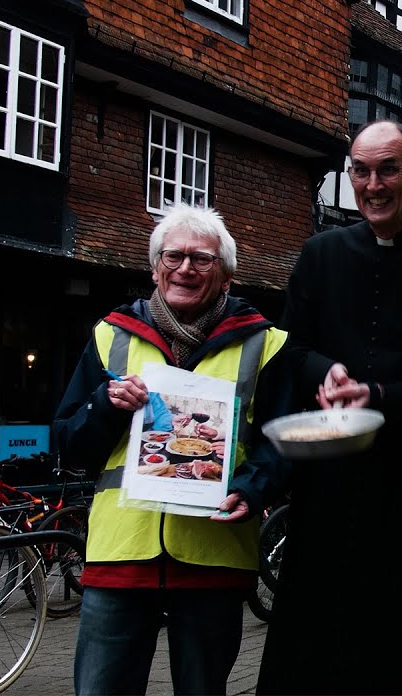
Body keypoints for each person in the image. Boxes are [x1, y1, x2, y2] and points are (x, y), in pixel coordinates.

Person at [256, 120, 402, 695]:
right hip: (330, 487)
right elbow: (290, 349)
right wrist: (325, 371)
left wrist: (380, 397)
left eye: (388, 170)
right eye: (360, 171)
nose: (373, 184)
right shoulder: (320, 254)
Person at [53, 203, 294, 696]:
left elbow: (283, 441)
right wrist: (106, 405)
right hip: (121, 553)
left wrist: (253, 487)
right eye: (174, 256)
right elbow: (69, 444)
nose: (185, 268)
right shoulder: (109, 335)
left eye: (202, 259)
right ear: (155, 267)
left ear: (225, 276)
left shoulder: (267, 344)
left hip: (213, 555)